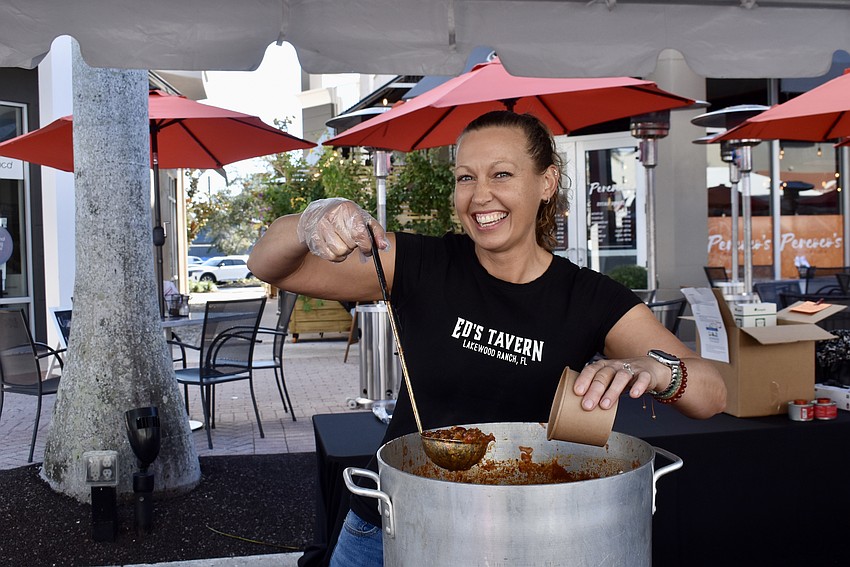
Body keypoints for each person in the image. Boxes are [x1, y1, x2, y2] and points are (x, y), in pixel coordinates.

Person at [248, 110, 727, 566]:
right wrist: (312, 220)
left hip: (522, 536)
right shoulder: (420, 263)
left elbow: (712, 393)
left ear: (546, 182)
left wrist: (658, 370)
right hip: (391, 524)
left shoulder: (589, 297)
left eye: (501, 174)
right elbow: (270, 265)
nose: (480, 196)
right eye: (465, 177)